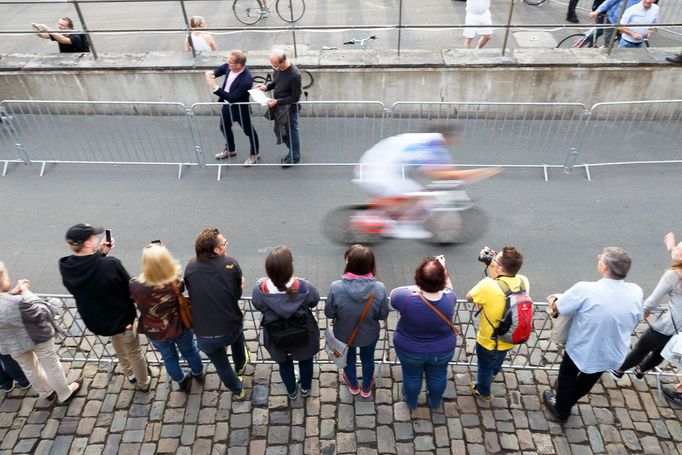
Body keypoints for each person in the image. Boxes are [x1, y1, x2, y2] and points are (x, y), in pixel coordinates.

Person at [543, 247, 643, 422]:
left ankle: (561, 408)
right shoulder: (636, 291)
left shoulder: (585, 289)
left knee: (567, 374)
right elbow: (637, 316)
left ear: (604, 267)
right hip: (611, 350)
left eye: (601, 259)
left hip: (583, 347)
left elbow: (560, 306)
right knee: (588, 380)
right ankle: (567, 399)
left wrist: (555, 301)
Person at [354, 125, 501, 239]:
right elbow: (440, 174)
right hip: (379, 171)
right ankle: (403, 228)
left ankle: (378, 213)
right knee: (417, 196)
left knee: (402, 194)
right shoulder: (431, 144)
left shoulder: (425, 139)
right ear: (447, 137)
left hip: (373, 164)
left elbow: (446, 169)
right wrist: (483, 172)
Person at [59, 224, 151, 391]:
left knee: (116, 341)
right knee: (134, 351)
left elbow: (89, 274)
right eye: (93, 237)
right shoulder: (111, 265)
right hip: (123, 320)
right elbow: (131, 289)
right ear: (87, 244)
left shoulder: (67, 268)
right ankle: (143, 383)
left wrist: (99, 254)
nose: (97, 238)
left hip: (99, 322)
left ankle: (129, 373)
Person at [0, 261, 83, 404]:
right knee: (51, 366)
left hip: (12, 344)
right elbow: (43, 312)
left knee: (30, 369)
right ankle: (65, 394)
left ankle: (47, 393)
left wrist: (12, 294)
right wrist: (25, 291)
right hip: (36, 338)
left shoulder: (11, 300)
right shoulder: (16, 303)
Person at [129, 244, 204, 393]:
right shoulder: (175, 283)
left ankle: (182, 381)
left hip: (154, 331)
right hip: (179, 327)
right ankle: (198, 374)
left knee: (169, 359)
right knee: (190, 351)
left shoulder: (135, 285)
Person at [184, 228, 249, 399]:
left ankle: (238, 390)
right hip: (230, 328)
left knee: (221, 365)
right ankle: (241, 364)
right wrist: (239, 286)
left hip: (204, 335)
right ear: (216, 250)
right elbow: (235, 296)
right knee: (237, 335)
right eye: (224, 242)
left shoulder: (191, 267)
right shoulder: (231, 264)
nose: (226, 244)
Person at [610, 233, 682, 381]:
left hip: (667, 325)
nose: (675, 249)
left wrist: (645, 311)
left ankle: (619, 370)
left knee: (642, 348)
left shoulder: (674, 275)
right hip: (679, 330)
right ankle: (641, 371)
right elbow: (678, 258)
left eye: (678, 248)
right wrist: (671, 247)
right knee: (660, 353)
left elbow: (654, 299)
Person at [252, 247, 320, 399]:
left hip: (276, 336)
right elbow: (314, 301)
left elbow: (259, 305)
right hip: (303, 333)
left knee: (284, 364)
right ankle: (306, 389)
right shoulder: (304, 287)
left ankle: (291, 391)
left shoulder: (260, 290)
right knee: (306, 361)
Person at [390, 256, 457, 410]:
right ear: (443, 280)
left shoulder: (405, 298)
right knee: (438, 376)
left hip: (410, 349)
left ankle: (411, 402)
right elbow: (448, 288)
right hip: (442, 349)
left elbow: (393, 294)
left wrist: (418, 285)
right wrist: (443, 270)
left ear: (418, 278)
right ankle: (434, 402)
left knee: (411, 376)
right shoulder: (449, 298)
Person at [325, 245, 389, 398]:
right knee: (368, 359)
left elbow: (329, 312)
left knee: (348, 361)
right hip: (369, 335)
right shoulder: (379, 288)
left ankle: (353, 384)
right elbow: (382, 315)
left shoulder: (336, 287)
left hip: (344, 335)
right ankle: (366, 387)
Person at [466, 246, 528, 401]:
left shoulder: (487, 285)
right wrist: (494, 264)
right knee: (498, 360)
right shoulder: (523, 281)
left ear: (499, 267)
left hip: (488, 342)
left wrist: (492, 268)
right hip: (508, 338)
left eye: (495, 259)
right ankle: (494, 371)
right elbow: (504, 283)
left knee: (484, 368)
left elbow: (469, 297)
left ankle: (484, 392)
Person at [206, 50, 260, 166]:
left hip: (240, 109)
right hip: (227, 106)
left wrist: (215, 88)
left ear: (238, 65)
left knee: (249, 131)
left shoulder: (246, 80)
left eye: (230, 62)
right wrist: (212, 73)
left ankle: (254, 154)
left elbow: (233, 98)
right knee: (224, 127)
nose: (227, 64)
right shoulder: (229, 66)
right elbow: (221, 69)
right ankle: (230, 150)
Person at [255, 49, 302, 168]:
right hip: (279, 108)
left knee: (292, 132)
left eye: (275, 65)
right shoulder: (278, 68)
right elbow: (276, 81)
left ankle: (295, 156)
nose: (273, 68)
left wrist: (277, 101)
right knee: (284, 133)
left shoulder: (295, 75)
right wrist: (267, 87)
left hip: (289, 109)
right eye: (272, 65)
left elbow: (295, 97)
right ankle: (292, 153)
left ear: (283, 62)